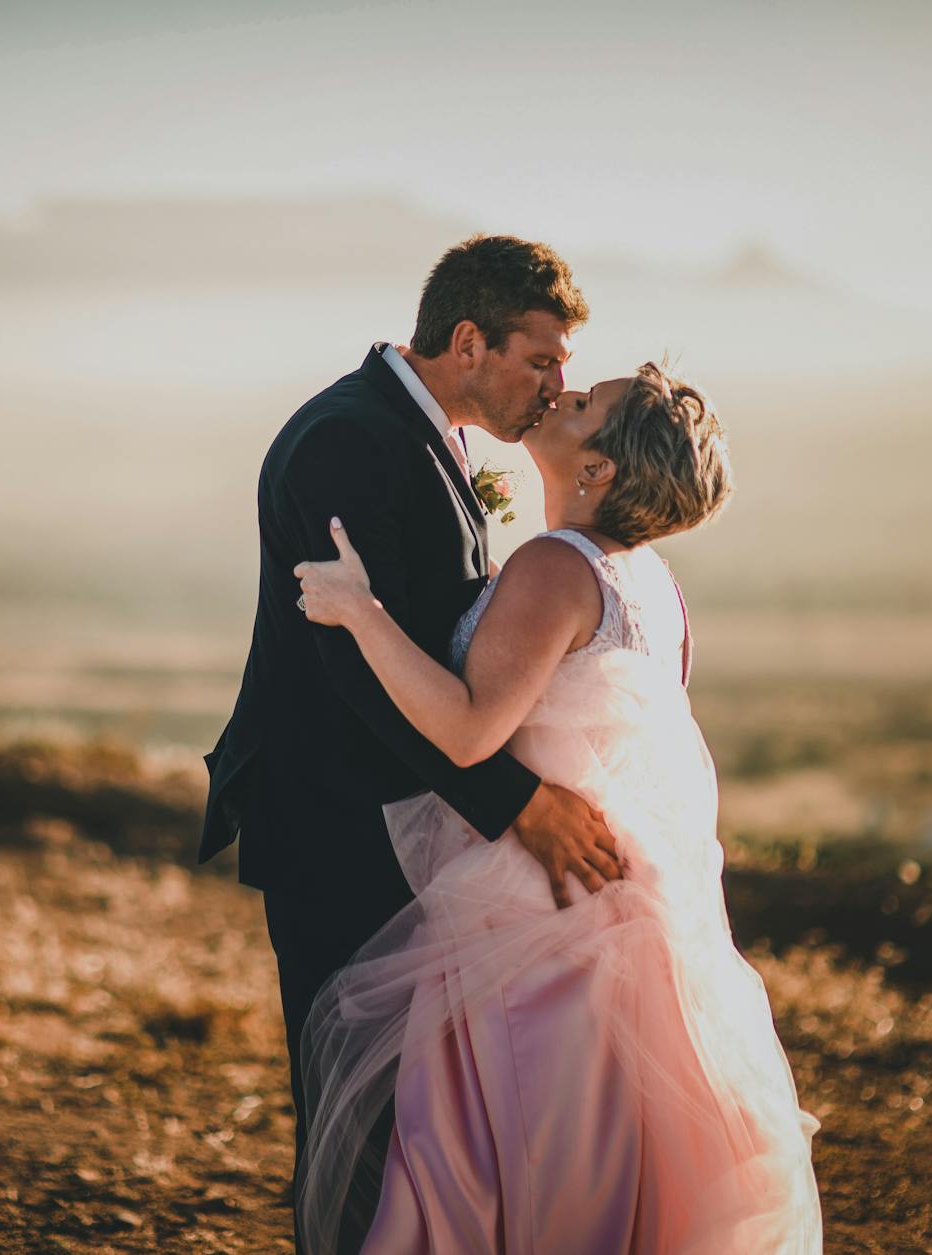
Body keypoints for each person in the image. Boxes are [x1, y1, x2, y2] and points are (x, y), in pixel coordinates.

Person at [292, 362, 823, 1252]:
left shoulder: (551, 566)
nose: (562, 395)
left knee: (502, 1167)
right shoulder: (654, 584)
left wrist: (360, 611)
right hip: (621, 908)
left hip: (533, 911)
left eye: (585, 405)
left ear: (599, 469)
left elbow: (467, 734)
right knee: (609, 1160)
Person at [197, 235, 625, 1249]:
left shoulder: (420, 432)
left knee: (412, 1120)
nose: (555, 384)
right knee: (354, 1121)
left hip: (397, 822)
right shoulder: (349, 440)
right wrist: (517, 807)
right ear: (467, 340)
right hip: (335, 825)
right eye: (541, 358)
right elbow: (359, 678)